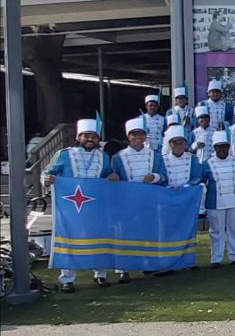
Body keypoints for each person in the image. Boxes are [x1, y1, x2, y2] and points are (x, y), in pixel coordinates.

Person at [43, 119, 114, 292]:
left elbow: (107, 174)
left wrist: (113, 176)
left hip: (96, 207)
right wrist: (47, 180)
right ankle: (67, 278)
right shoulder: (64, 154)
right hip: (70, 207)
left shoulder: (104, 157)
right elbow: (47, 172)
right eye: (86, 135)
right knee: (69, 239)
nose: (90, 139)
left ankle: (101, 274)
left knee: (99, 238)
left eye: (94, 136)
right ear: (78, 137)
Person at [112, 118, 168, 283]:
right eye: (134, 134)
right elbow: (113, 179)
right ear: (128, 137)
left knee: (149, 233)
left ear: (145, 136)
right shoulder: (117, 157)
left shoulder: (155, 156)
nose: (137, 137)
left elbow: (164, 176)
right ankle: (123, 269)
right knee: (125, 234)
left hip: (149, 199)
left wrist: (154, 176)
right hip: (127, 200)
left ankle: (149, 265)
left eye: (141, 134)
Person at [203, 131, 235, 268]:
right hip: (214, 203)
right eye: (219, 146)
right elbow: (202, 182)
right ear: (214, 148)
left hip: (234, 200)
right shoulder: (207, 164)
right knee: (216, 231)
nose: (222, 149)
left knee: (234, 230)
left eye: (225, 146)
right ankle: (216, 258)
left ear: (229, 147)